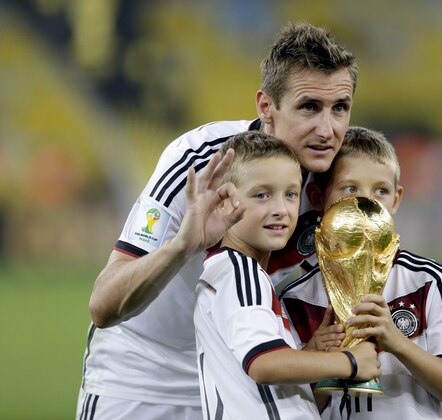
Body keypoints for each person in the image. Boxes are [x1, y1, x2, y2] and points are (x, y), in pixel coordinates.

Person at [77, 22, 357, 419]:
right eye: (309, 107)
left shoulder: (346, 181)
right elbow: (104, 305)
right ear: (266, 108)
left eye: (340, 108)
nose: (327, 130)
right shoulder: (201, 160)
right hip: (144, 379)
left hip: (253, 376)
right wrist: (183, 246)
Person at [280, 126, 442, 419]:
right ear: (318, 197)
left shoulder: (432, 280)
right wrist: (320, 358)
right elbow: (298, 409)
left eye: (380, 191)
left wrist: (396, 342)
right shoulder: (295, 299)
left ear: (396, 199)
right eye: (350, 189)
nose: (366, 202)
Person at [194, 132, 381, 419]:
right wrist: (349, 362)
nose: (281, 209)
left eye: (290, 194)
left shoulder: (238, 272)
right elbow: (264, 364)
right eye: (262, 195)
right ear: (225, 202)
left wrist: (310, 352)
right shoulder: (240, 273)